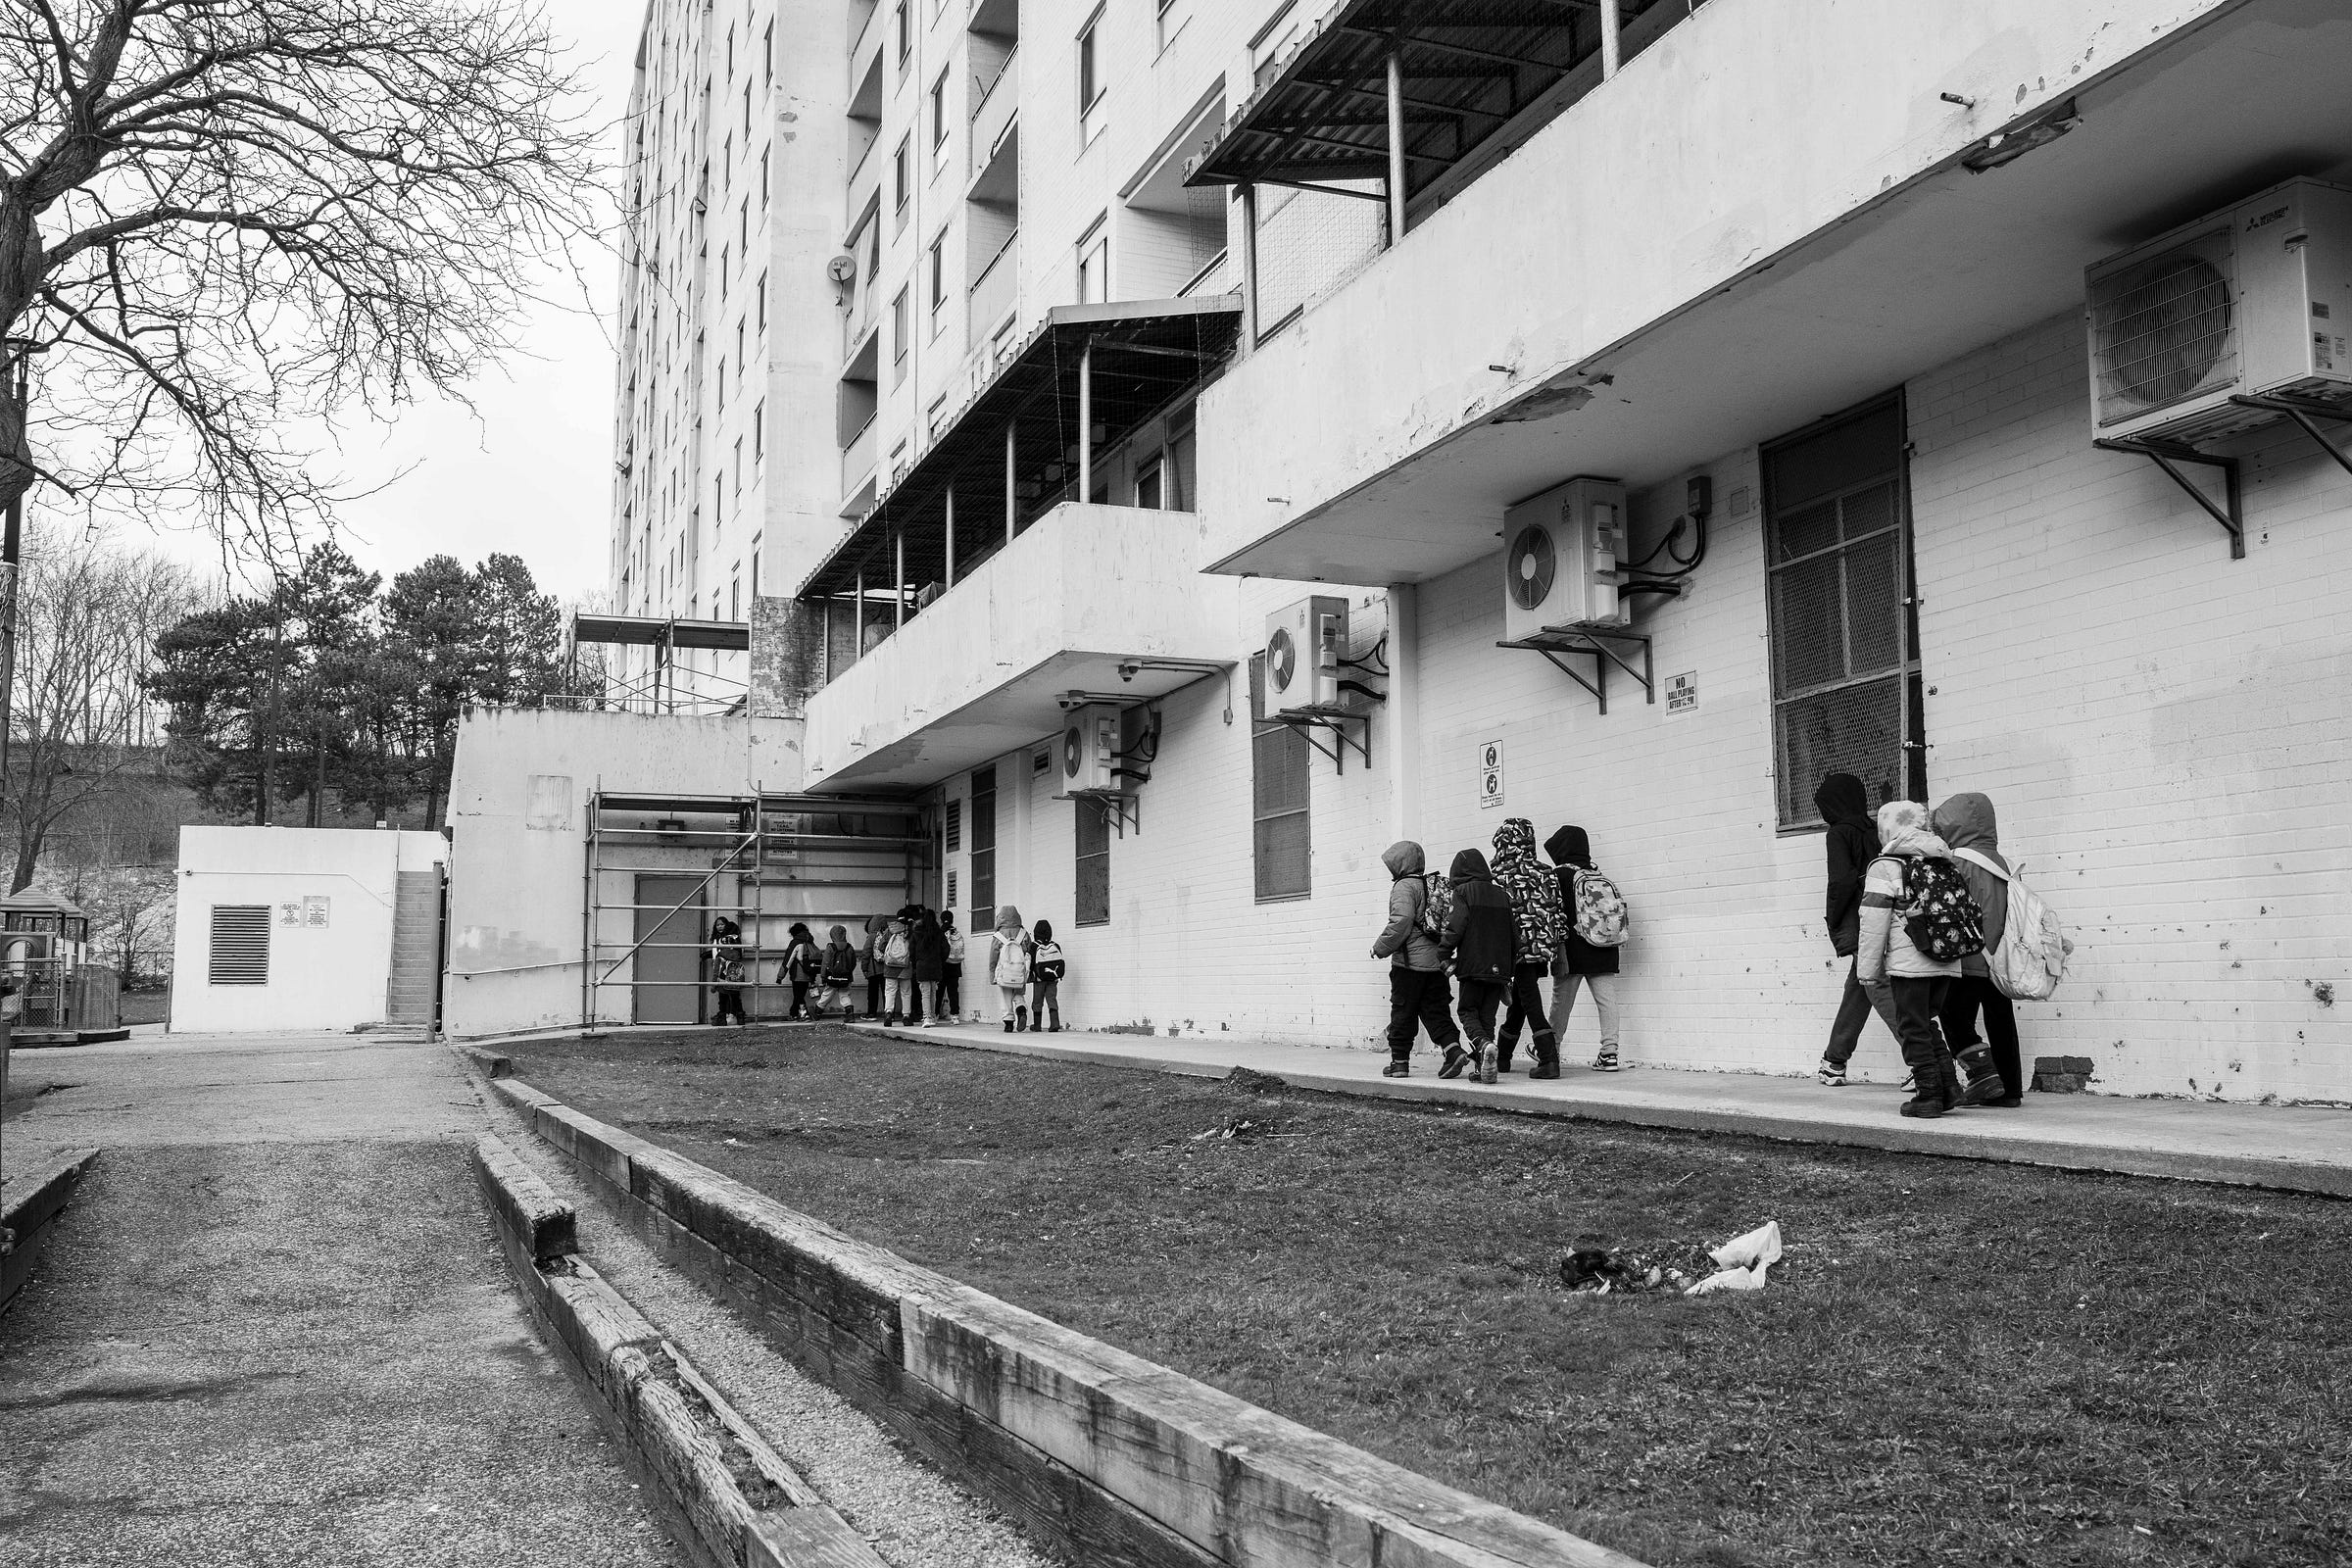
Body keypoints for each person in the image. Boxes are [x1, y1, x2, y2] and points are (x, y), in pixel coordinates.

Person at [1857, 800, 1968, 1118]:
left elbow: (1874, 921)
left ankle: (1928, 1095)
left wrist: (1868, 970)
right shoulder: (1943, 859)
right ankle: (1949, 1088)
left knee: (1912, 1028)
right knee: (1925, 1023)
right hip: (1947, 958)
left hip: (1910, 964)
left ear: (1886, 828)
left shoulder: (1885, 866)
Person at [1933, 792, 2024, 1106]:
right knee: (2001, 1020)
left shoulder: (1956, 862)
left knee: (1953, 1018)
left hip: (1968, 957)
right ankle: (2009, 1090)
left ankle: (1982, 1075)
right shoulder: (2004, 863)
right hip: (2000, 957)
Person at [1816, 773, 1902, 1087]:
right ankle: (1834, 1061)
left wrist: (1834, 918)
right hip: (1885, 916)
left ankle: (1926, 1060)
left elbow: (1840, 881)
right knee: (1859, 987)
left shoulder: (1839, 833)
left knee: (1877, 987)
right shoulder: (1873, 830)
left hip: (1860, 922)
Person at [1371, 841, 1463, 1079]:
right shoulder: (1433, 885)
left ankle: (1399, 1063)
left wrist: (1380, 948)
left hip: (1409, 965)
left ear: (1401, 864)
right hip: (1436, 963)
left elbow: (1401, 921)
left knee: (1403, 1012)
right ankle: (1454, 1051)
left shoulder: (1404, 886)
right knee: (1437, 1012)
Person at [1489, 818, 1564, 1078]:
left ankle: (1549, 1059)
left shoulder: (1498, 876)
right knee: (1521, 1001)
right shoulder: (1547, 872)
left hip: (1514, 949)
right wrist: (1557, 945)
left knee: (1530, 1002)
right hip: (1541, 947)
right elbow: (1558, 913)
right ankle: (1503, 1057)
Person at [1544, 825, 1622, 1073]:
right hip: (1604, 947)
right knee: (1607, 1002)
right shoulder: (1597, 875)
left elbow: (1553, 914)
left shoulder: (1559, 876)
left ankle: (1551, 1050)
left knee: (1561, 1003)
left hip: (1572, 951)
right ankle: (1609, 1054)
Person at [1437, 848, 1515, 1085]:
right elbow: (1515, 935)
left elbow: (1456, 926)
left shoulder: (1463, 892)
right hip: (1500, 968)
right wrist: (1509, 970)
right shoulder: (1502, 894)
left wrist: (1443, 952)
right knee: (1487, 1016)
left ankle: (1482, 1044)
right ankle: (1484, 1068)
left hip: (1473, 964)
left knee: (1467, 1011)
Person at [988, 906, 1031, 1032]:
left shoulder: (998, 936)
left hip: (1004, 972)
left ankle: (1008, 1023)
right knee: (1019, 993)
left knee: (1006, 997)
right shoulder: (1023, 933)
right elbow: (1029, 952)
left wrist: (992, 974)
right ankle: (1021, 1011)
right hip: (1019, 971)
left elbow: (993, 957)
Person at [909, 907, 948, 1028]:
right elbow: (946, 949)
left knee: (925, 993)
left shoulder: (917, 933)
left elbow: (911, 951)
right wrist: (940, 960)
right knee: (933, 992)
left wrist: (916, 963)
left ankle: (926, 1017)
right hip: (935, 965)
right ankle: (932, 1016)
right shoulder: (939, 933)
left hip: (922, 965)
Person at [709, 916, 747, 1026]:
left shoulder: (724, 939)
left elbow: (720, 954)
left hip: (723, 970)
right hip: (734, 971)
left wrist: (714, 984)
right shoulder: (735, 938)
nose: (720, 927)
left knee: (723, 996)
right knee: (735, 996)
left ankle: (722, 1018)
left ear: (726, 926)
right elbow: (739, 953)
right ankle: (740, 1018)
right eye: (718, 925)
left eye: (722, 924)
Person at [1028, 918, 1064, 1032]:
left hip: (1039, 979)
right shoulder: (1055, 945)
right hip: (1053, 979)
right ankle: (1054, 1023)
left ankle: (1037, 1025)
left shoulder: (1034, 946)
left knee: (1037, 1001)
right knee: (1051, 999)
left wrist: (1030, 975)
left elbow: (1030, 963)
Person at [881, 909, 916, 1024]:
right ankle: (906, 1016)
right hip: (905, 967)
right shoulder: (910, 930)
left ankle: (888, 1013)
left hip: (890, 967)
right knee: (906, 992)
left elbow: (881, 946)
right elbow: (914, 948)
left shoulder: (890, 930)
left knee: (890, 991)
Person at [817, 924, 859, 1019]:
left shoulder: (830, 947)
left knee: (827, 994)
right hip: (846, 977)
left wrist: (823, 976)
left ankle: (817, 1012)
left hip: (832, 976)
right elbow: (853, 963)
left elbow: (825, 963)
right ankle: (850, 1014)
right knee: (845, 995)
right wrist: (848, 972)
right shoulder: (849, 947)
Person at [779, 921, 818, 1020]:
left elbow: (788, 960)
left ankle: (804, 1014)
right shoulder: (810, 941)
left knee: (798, 996)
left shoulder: (795, 943)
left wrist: (780, 976)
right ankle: (793, 1013)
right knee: (799, 995)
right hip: (810, 973)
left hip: (798, 974)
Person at [860, 913, 889, 1020]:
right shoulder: (888, 935)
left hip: (874, 970)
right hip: (887, 969)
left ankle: (871, 1014)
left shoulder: (871, 937)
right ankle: (889, 1013)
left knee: (872, 993)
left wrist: (864, 968)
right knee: (887, 993)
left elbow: (866, 953)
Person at [940, 910, 965, 1022]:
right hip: (955, 965)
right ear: (952, 920)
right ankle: (955, 1016)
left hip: (943, 965)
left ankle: (935, 1014)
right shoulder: (957, 933)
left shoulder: (940, 932)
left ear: (941, 920)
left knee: (939, 991)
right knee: (953, 992)